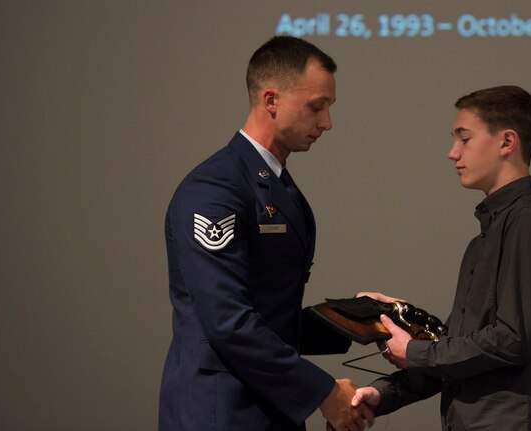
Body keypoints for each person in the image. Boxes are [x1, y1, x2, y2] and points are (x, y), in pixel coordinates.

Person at [159, 36, 373, 431]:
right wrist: (324, 393)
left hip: (264, 408)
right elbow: (229, 324)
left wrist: (364, 317)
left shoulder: (275, 185)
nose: (327, 123)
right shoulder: (214, 191)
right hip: (221, 412)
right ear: (271, 100)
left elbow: (274, 317)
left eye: (329, 108)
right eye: (316, 107)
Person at [353, 85, 531, 430]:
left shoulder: (528, 222)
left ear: (506, 142)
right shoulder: (486, 237)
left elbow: (511, 340)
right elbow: (462, 354)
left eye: (464, 139)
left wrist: (414, 352)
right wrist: (382, 394)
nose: (452, 153)